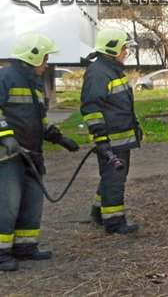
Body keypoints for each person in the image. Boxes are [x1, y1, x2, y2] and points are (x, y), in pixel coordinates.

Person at [0, 33, 79, 272]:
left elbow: (37, 119)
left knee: (31, 201)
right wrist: (6, 137)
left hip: (32, 152)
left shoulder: (34, 84)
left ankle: (25, 247)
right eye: (45, 58)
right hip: (7, 155)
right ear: (32, 57)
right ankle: (1, 254)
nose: (46, 63)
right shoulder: (5, 77)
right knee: (7, 204)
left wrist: (58, 137)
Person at [81, 28, 143, 235]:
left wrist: (135, 128)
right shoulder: (99, 73)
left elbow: (120, 106)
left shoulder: (111, 70)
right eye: (124, 47)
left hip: (119, 138)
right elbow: (91, 108)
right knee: (114, 179)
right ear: (112, 47)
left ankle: (98, 212)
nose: (126, 51)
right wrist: (100, 137)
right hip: (111, 140)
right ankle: (114, 222)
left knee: (111, 177)